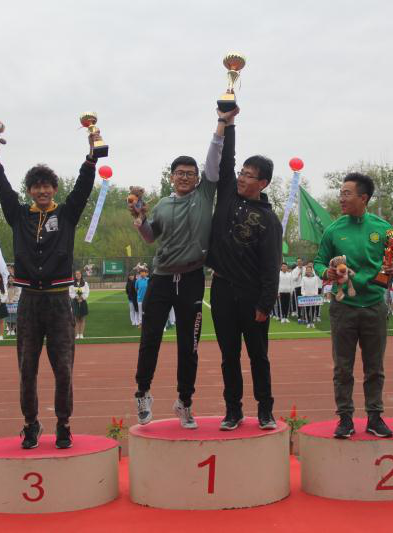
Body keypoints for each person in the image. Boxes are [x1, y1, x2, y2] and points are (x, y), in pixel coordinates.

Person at [0, 129, 99, 450]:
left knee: (64, 369)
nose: (42, 190)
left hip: (59, 302)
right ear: (30, 191)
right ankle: (30, 424)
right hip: (29, 302)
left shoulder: (66, 214)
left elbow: (83, 188)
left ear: (54, 189)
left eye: (47, 185)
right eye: (36, 186)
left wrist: (92, 157)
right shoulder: (19, 214)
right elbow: (2, 189)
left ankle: (64, 424)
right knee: (27, 369)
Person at [130, 111, 224, 429]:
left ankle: (184, 401)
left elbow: (214, 159)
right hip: (161, 278)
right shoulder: (162, 204)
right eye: (180, 173)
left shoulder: (205, 195)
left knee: (190, 344)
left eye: (190, 173)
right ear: (171, 177)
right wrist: (140, 220)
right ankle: (142, 393)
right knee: (150, 338)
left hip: (192, 278)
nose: (185, 177)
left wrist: (221, 125)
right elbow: (150, 237)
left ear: (198, 178)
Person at [207, 106, 282, 431]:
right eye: (242, 172)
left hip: (252, 296)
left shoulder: (269, 219)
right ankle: (233, 410)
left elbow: (271, 266)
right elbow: (227, 160)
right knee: (229, 355)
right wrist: (229, 123)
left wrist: (265, 304)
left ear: (262, 183)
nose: (241, 177)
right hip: (222, 289)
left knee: (258, 356)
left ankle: (265, 410)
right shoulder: (227, 194)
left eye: (249, 175)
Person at [313, 172, 393, 439]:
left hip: (375, 305)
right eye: (340, 193)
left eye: (346, 194)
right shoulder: (333, 229)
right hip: (343, 307)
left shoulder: (387, 228)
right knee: (342, 367)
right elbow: (319, 261)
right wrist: (326, 272)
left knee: (375, 367)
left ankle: (375, 417)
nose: (341, 198)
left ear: (364, 198)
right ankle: (345, 418)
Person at [69, 270, 90, 340]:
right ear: (75, 275)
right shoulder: (72, 284)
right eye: (76, 274)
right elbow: (70, 293)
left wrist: (82, 298)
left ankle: (81, 334)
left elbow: (87, 292)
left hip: (83, 301)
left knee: (82, 318)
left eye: (79, 274)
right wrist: (76, 297)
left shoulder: (85, 283)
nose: (78, 275)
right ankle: (77, 334)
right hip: (75, 302)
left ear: (81, 275)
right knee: (76, 319)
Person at [5, 270, 21, 337]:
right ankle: (9, 329)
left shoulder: (17, 286)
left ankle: (13, 329)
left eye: (12, 278)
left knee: (15, 317)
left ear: (14, 279)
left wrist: (12, 300)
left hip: (15, 303)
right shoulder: (6, 286)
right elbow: (4, 294)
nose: (10, 279)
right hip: (7, 303)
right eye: (9, 278)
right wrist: (7, 300)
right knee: (7, 317)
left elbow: (18, 294)